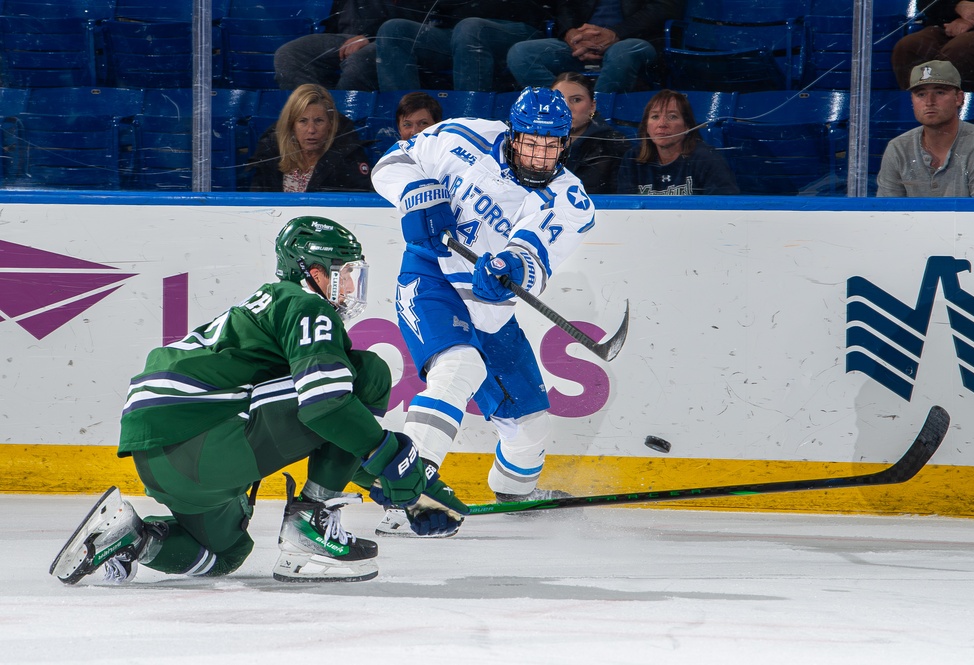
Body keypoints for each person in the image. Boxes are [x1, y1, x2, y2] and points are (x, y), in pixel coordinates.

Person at [49, 216, 468, 586]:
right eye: (342, 273)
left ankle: (130, 538)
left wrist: (410, 491)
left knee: (222, 554)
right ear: (313, 272)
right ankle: (311, 525)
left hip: (163, 451)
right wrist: (396, 459)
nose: (350, 287)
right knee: (366, 373)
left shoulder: (266, 305)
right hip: (202, 435)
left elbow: (339, 443)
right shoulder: (305, 304)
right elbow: (326, 406)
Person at [369, 87, 594, 536]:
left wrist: (514, 263)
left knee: (529, 424)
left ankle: (514, 492)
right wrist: (415, 193)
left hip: (491, 310)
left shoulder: (570, 201)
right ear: (513, 136)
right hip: (431, 279)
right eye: (530, 143)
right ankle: (406, 495)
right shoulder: (461, 138)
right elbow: (390, 163)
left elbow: (536, 250)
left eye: (550, 146)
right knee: (459, 367)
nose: (538, 155)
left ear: (564, 144)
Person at [506, 0, 684, 94]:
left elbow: (665, 8)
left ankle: (597, 118)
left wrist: (616, 33)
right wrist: (571, 33)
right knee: (521, 54)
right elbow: (565, 5)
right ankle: (567, 109)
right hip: (583, 44)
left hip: (634, 41)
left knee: (623, 52)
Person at [877, 60, 974, 197]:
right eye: (921, 94)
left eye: (940, 92)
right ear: (912, 100)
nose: (929, 102)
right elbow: (886, 214)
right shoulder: (898, 148)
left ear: (959, 98)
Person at [375, 1, 550, 91]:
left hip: (518, 29)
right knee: (394, 30)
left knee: (470, 28)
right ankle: (405, 121)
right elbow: (428, 8)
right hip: (456, 31)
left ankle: (468, 124)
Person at [248, 84, 372, 193]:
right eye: (303, 121)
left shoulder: (348, 156)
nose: (311, 130)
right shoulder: (271, 153)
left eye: (319, 121)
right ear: (292, 125)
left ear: (330, 124)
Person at [617, 89, 739, 195]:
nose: (662, 124)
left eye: (672, 117)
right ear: (646, 127)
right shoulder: (632, 159)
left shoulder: (707, 159)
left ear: (687, 126)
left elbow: (724, 210)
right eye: (655, 117)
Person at [272, 0, 401, 91]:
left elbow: (408, 22)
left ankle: (339, 119)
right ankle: (309, 112)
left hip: (385, 40)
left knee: (358, 60)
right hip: (344, 39)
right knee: (290, 53)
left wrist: (370, 36)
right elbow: (335, 22)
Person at [891, 1, 974, 92]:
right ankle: (918, 109)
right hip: (946, 25)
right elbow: (924, 2)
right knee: (908, 47)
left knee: (958, 51)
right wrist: (957, 5)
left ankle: (956, 111)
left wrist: (972, 20)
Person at [551, 71, 631, 193]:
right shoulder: (531, 144)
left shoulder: (614, 145)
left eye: (576, 100)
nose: (566, 108)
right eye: (559, 100)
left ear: (592, 106)